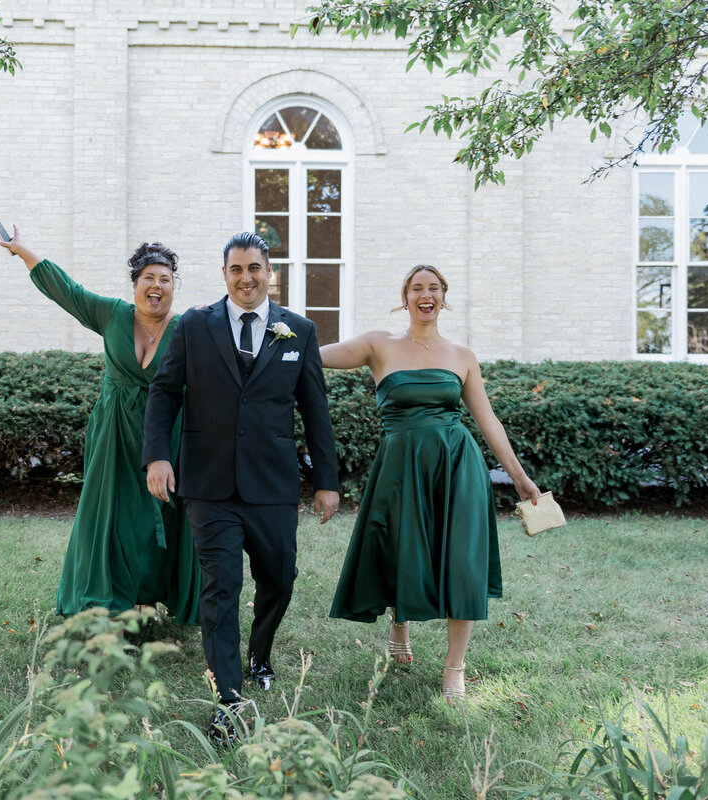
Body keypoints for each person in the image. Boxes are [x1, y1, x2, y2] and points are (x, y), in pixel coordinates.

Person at [143, 232, 340, 743]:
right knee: (221, 586)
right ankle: (228, 698)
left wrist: (327, 481)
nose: (246, 278)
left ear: (268, 272)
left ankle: (260, 653)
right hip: (208, 484)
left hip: (273, 483)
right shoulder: (193, 325)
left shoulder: (297, 330)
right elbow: (164, 392)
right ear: (224, 273)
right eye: (236, 269)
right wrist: (159, 456)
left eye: (255, 268)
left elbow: (315, 409)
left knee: (280, 579)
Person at [321, 264, 541, 703]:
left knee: (462, 563)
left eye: (434, 288)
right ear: (406, 298)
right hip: (400, 467)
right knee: (401, 550)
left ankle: (454, 667)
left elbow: (487, 419)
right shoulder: (378, 344)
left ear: (444, 297)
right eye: (417, 288)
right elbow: (313, 354)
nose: (426, 295)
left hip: (458, 466)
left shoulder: (461, 355)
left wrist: (518, 477)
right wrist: (269, 325)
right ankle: (399, 625)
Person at [0, 227, 199, 625]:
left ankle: (151, 597)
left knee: (162, 514)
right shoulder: (112, 314)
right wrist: (24, 251)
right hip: (114, 433)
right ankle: (106, 604)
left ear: (174, 287)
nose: (157, 286)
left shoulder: (188, 328)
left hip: (166, 435)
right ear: (136, 284)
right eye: (149, 278)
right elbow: (68, 292)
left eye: (165, 279)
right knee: (113, 516)